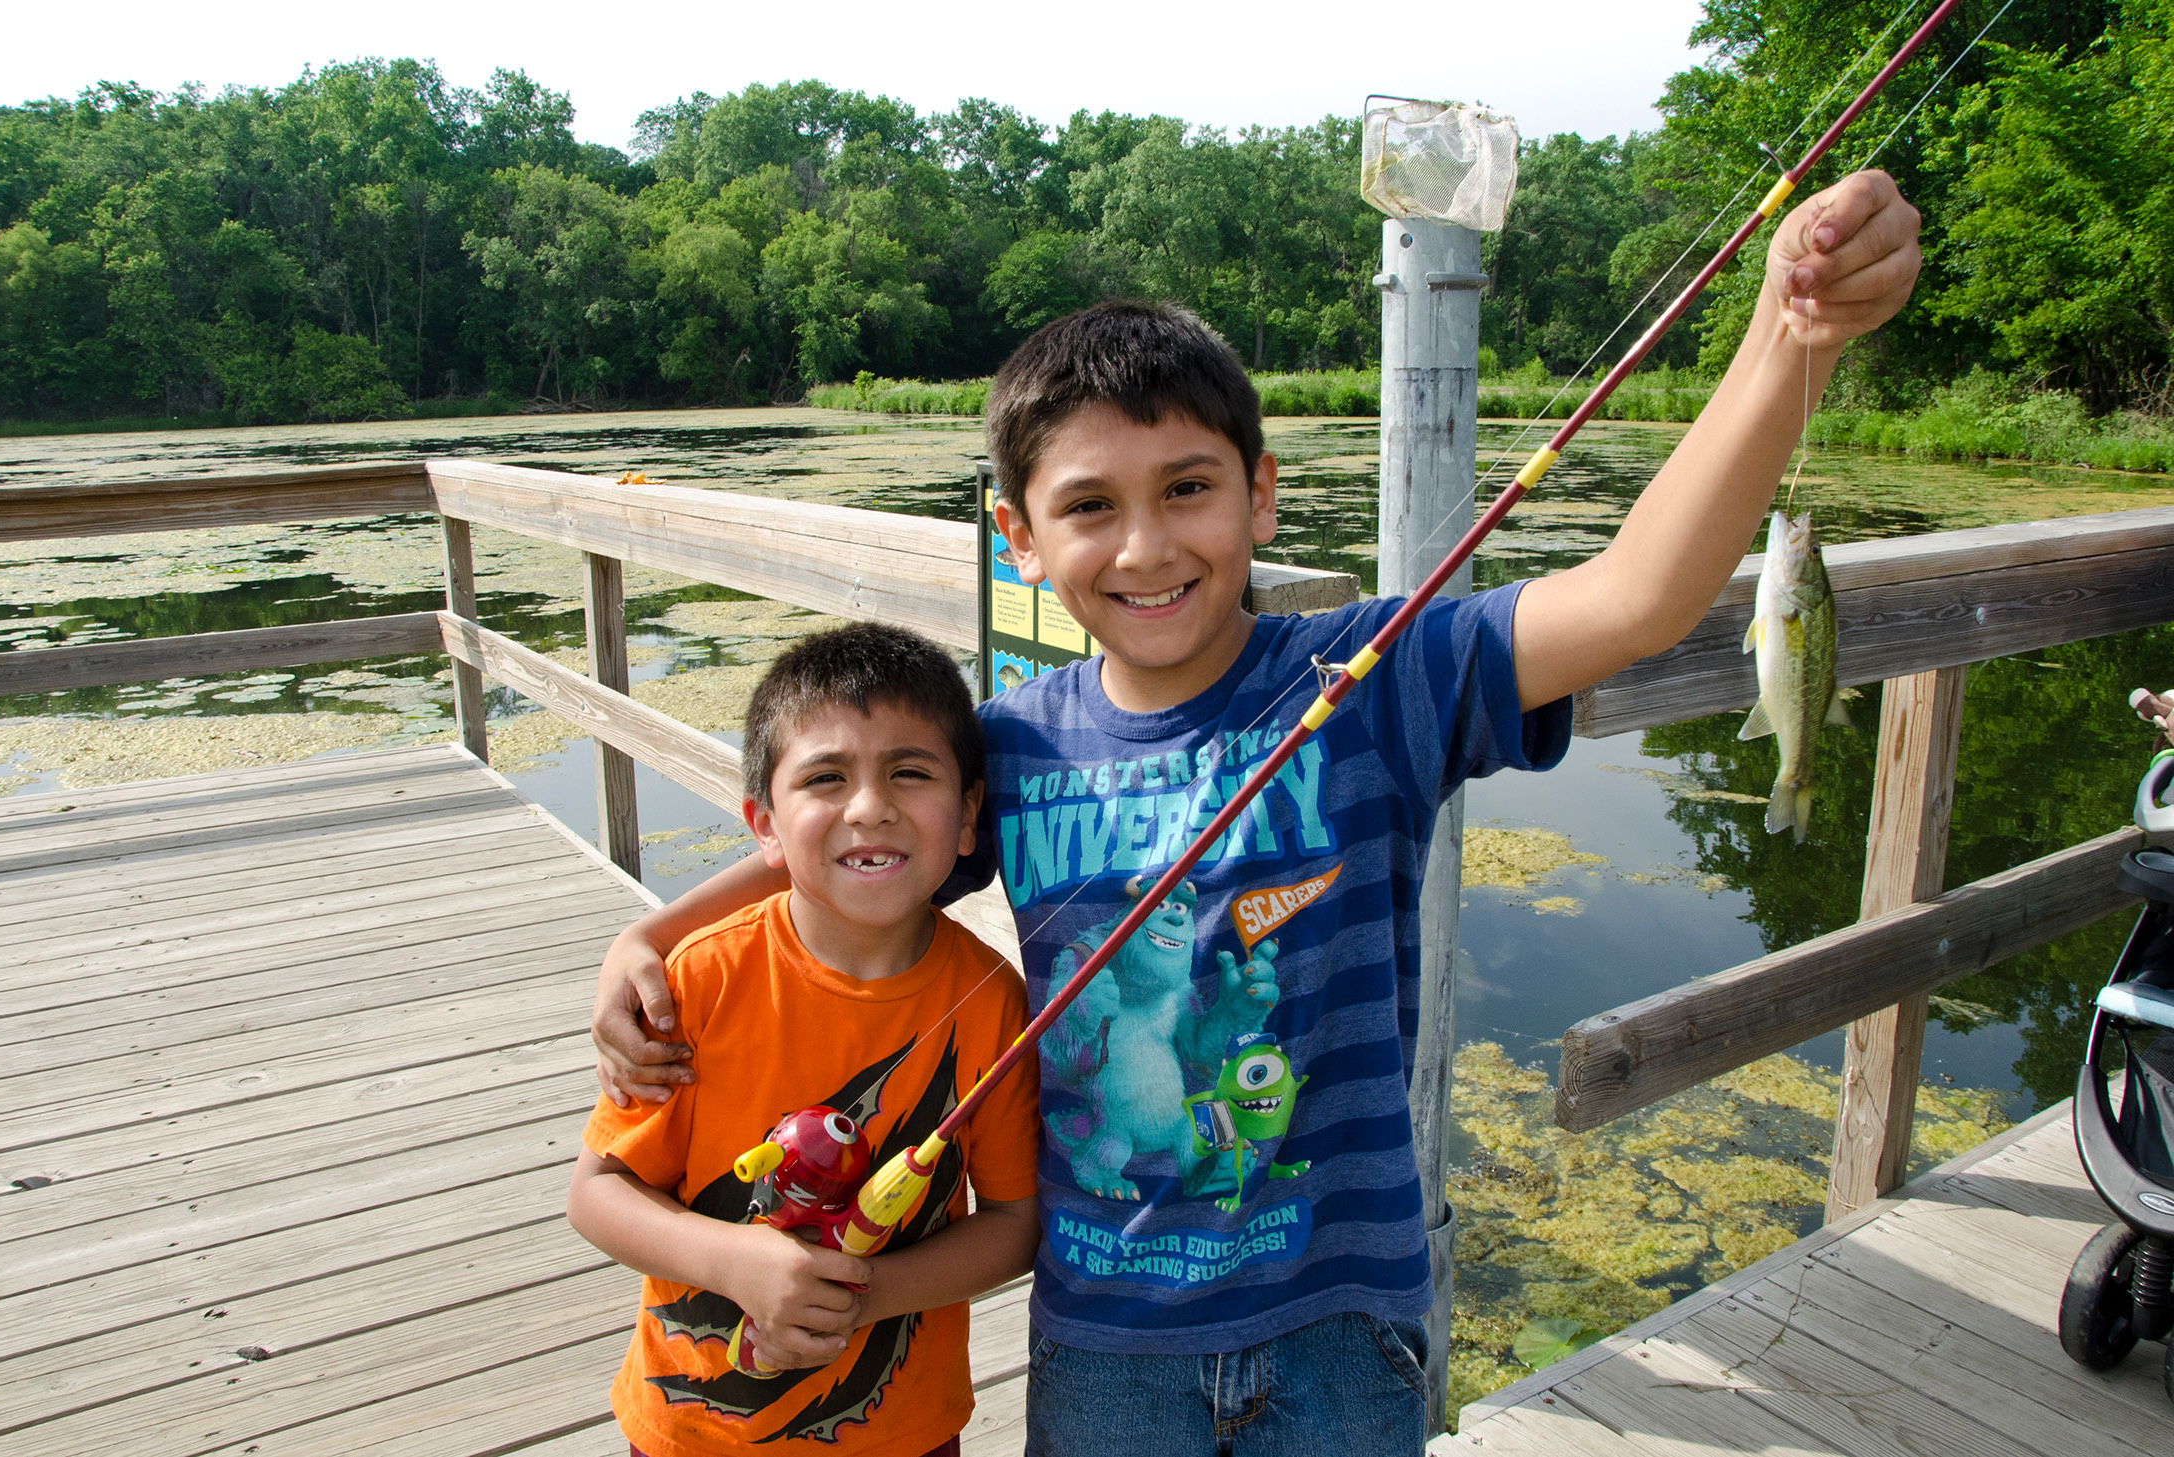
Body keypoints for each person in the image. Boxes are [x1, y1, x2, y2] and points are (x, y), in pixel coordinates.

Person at [588, 171, 1923, 1453]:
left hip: (1339, 1321)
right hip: (1109, 1332)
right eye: (1089, 508)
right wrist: (647, 942)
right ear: (1019, 540)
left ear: (1260, 491)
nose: (1149, 546)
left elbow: (1640, 595)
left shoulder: (1377, 680)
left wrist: (1785, 334)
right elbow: (859, 851)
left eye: (1188, 488)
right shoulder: (1010, 749)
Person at [567, 622, 1040, 1457]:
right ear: (766, 826)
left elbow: (1012, 1221)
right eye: (826, 777)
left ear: (969, 816)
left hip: (903, 1433)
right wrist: (731, 1259)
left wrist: (866, 1291)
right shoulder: (698, 982)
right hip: (693, 1432)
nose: (871, 806)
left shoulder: (991, 1001)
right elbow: (598, 1193)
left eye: (911, 771)